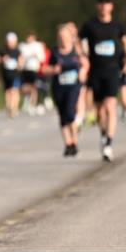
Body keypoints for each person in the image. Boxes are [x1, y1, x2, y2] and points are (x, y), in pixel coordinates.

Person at [79, 0, 126, 162]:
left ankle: (109, 143)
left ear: (111, 6)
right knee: (100, 109)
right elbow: (77, 40)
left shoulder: (117, 26)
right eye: (101, 3)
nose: (103, 6)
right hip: (95, 71)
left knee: (110, 104)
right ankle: (104, 135)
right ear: (97, 6)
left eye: (107, 3)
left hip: (112, 70)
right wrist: (82, 55)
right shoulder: (90, 25)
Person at [44, 24, 89, 156]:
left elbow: (86, 64)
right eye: (61, 37)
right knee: (63, 116)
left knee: (70, 113)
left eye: (65, 36)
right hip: (58, 87)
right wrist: (53, 70)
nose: (63, 39)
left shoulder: (76, 50)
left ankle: (74, 140)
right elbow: (44, 69)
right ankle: (69, 144)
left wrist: (83, 71)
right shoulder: (54, 52)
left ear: (70, 37)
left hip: (73, 86)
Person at [0, 32, 23, 119]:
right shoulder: (2, 50)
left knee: (14, 90)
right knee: (8, 91)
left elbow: (21, 60)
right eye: (9, 41)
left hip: (15, 74)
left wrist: (20, 65)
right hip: (5, 74)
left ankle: (14, 107)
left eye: (12, 41)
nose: (11, 43)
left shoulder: (17, 51)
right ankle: (9, 106)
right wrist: (2, 59)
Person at [19, 33, 45, 116]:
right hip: (25, 69)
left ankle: (32, 105)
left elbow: (42, 58)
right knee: (24, 88)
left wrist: (36, 55)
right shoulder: (22, 46)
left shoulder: (37, 46)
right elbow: (20, 57)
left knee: (34, 87)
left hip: (34, 69)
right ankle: (28, 99)